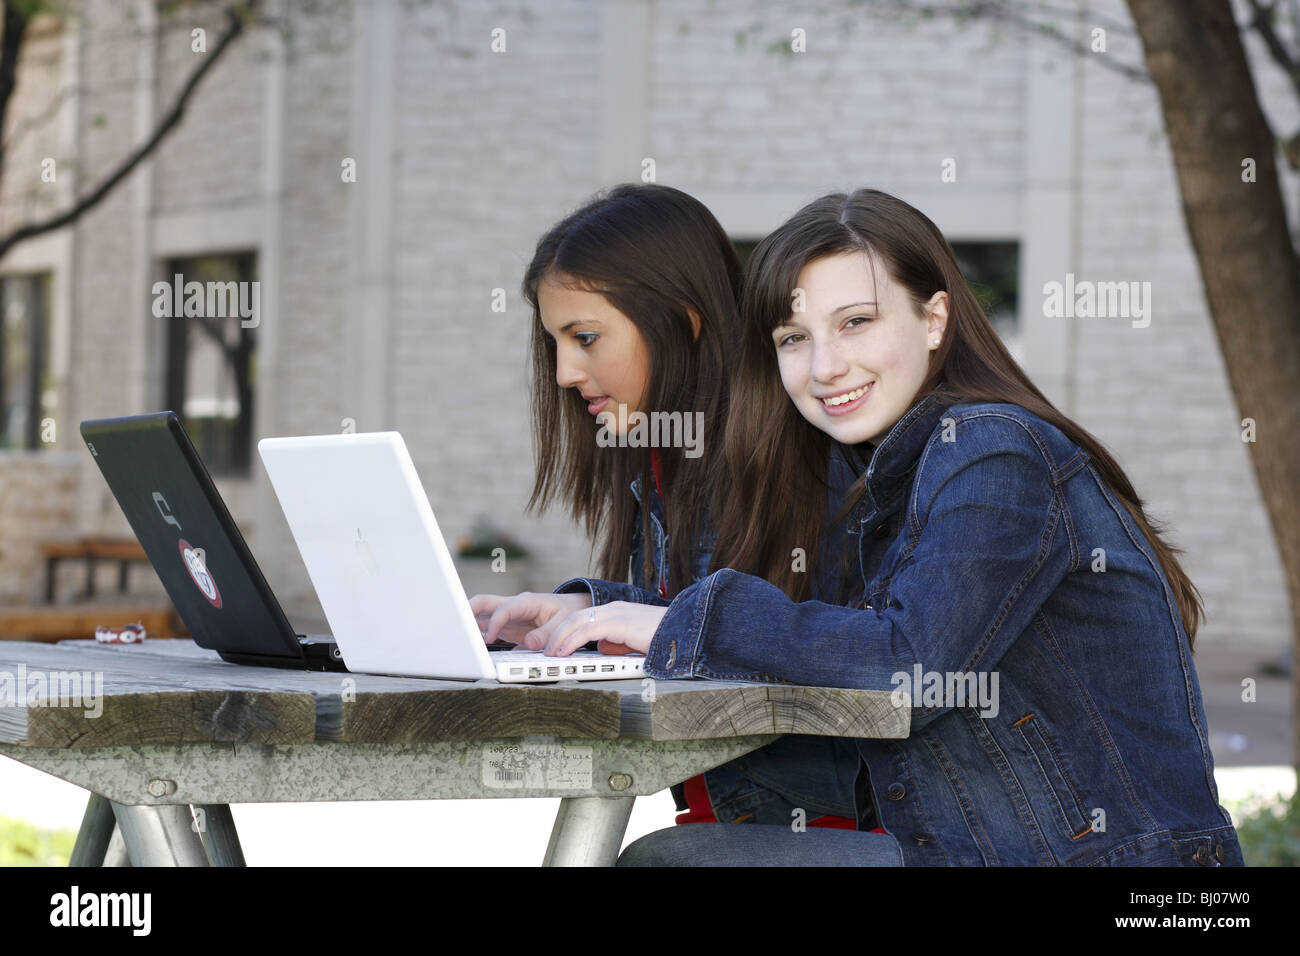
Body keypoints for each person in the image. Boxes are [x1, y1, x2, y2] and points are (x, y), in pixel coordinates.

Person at [522, 188, 1244, 867]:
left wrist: (681, 624)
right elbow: (830, 632)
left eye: (856, 322)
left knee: (677, 862)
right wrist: (608, 610)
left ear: (934, 319)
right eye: (792, 338)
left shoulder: (995, 450)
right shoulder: (896, 468)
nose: (826, 366)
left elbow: (909, 669)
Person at [470, 183, 860, 829]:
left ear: (683, 318)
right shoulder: (663, 459)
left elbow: (821, 648)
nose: (565, 371)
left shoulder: (801, 454)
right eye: (556, 343)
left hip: (819, 825)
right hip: (734, 816)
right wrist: (591, 610)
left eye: (586, 337)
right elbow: (714, 629)